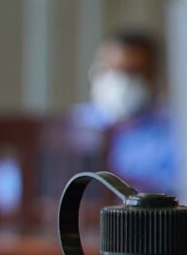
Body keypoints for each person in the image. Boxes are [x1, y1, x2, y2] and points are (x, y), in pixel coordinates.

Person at [76, 29, 177, 194]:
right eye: (112, 70)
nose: (120, 82)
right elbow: (21, 185)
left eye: (132, 72)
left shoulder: (176, 130)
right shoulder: (75, 124)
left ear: (153, 75)